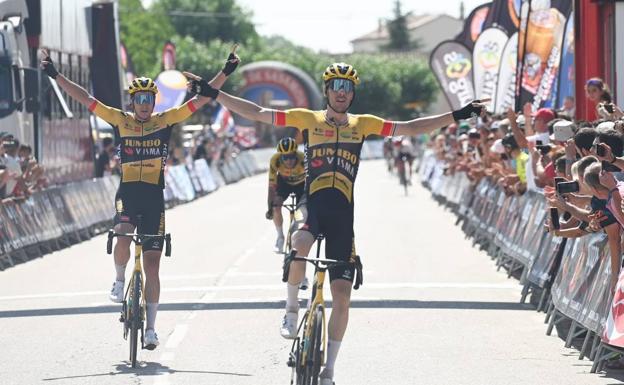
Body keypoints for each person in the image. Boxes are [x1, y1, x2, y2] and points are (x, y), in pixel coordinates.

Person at [186, 62, 484, 384]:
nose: (341, 93)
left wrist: (457, 115)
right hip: (312, 205)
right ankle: (290, 310)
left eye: (347, 88)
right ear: (327, 91)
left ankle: (329, 368)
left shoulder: (364, 124)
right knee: (300, 245)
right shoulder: (307, 119)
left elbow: (410, 127)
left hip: (343, 215)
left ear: (352, 93)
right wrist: (214, 93)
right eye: (336, 88)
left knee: (342, 295)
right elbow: (257, 111)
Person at [41, 48, 239, 350]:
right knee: (122, 235)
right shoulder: (119, 120)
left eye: (149, 99)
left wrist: (225, 72)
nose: (145, 104)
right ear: (132, 101)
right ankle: (119, 279)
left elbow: (200, 100)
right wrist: (56, 75)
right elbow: (84, 98)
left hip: (154, 200)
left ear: (154, 101)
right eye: (140, 99)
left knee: (153, 267)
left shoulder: (165, 120)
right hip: (128, 195)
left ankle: (150, 328)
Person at [265, 137, 305, 253]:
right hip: (284, 183)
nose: (289, 161)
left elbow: (312, 181)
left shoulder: (304, 159)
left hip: (301, 184)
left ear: (296, 154)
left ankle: (297, 234)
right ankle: (280, 236)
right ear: (281, 156)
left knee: (302, 210)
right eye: (285, 157)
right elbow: (271, 187)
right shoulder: (275, 160)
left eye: (292, 157)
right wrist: (270, 208)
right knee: (276, 207)